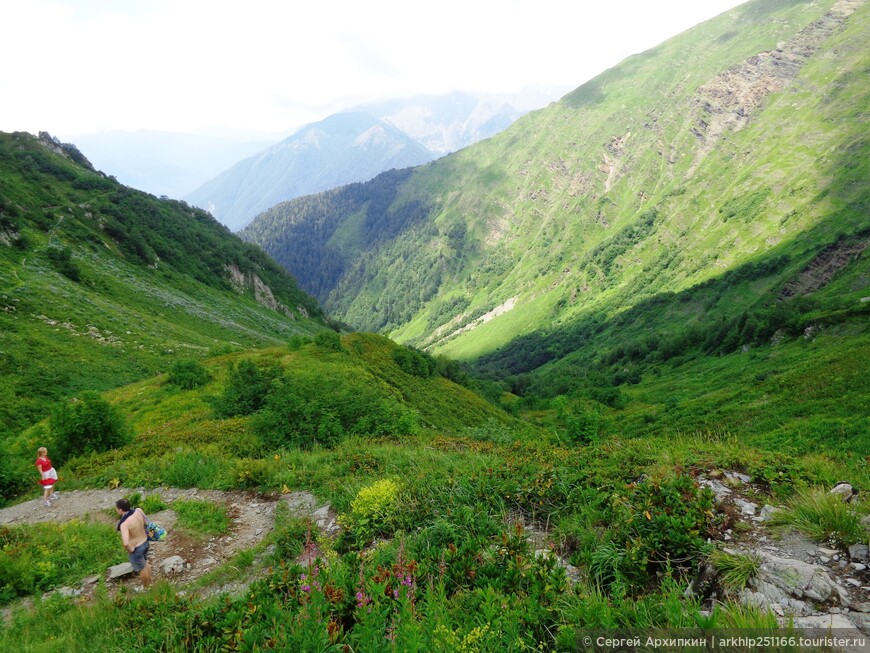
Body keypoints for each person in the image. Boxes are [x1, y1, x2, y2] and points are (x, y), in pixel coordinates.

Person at [115, 498, 153, 589]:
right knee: (145, 563)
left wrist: (131, 550)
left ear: (120, 510)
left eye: (116, 509)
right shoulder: (139, 511)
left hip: (136, 547)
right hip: (145, 541)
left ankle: (146, 588)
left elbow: (126, 543)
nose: (116, 510)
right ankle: (150, 583)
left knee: (142, 568)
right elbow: (147, 523)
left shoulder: (124, 524)